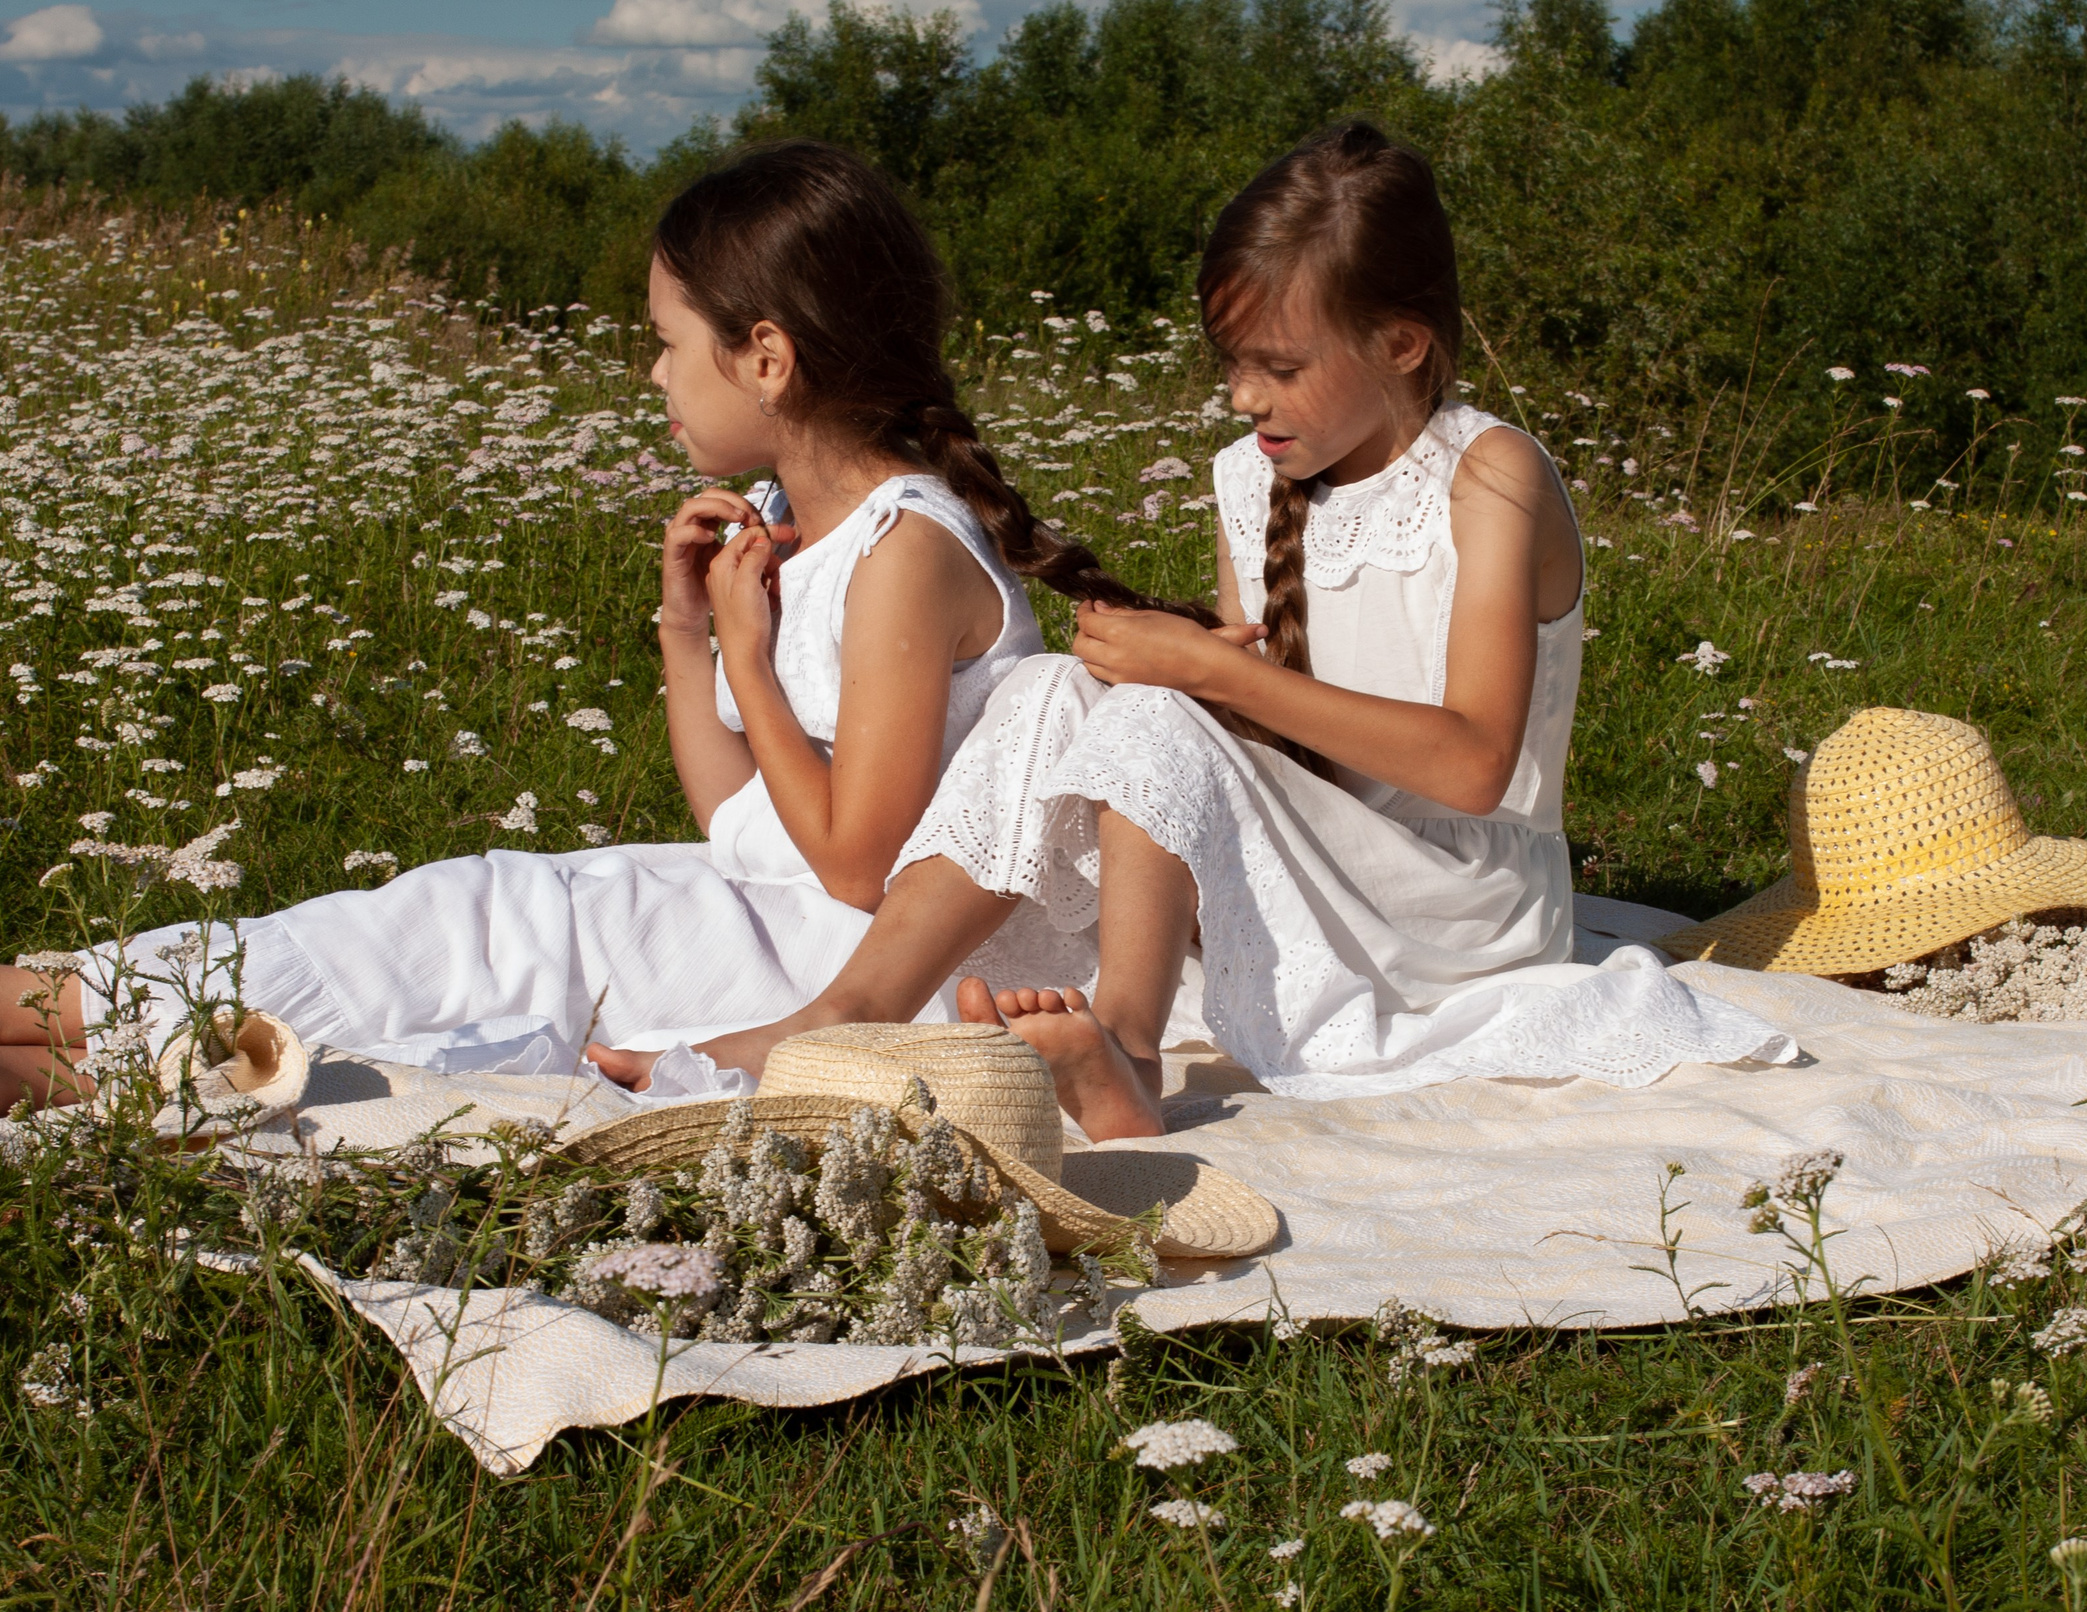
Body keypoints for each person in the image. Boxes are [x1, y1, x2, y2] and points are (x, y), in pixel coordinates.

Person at [0, 139, 1211, 1122]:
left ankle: (8, 1017)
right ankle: (16, 1047)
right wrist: (691, 639)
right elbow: (745, 819)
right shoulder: (816, 537)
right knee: (451, 930)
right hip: (744, 898)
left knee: (468, 952)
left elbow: (854, 864)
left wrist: (750, 654)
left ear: (770, 354)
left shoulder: (904, 555)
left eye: (668, 345)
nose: (652, 378)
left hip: (830, 953)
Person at [604, 121, 1791, 1136]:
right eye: (1230, 364)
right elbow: (1270, 729)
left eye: (1275, 366)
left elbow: (1475, 764)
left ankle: (1121, 1038)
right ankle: (851, 1015)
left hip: (1459, 900)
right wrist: (1199, 674)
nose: (1241, 397)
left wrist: (1195, 681)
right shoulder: (1250, 479)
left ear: (1401, 343)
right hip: (1323, 858)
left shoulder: (1490, 477)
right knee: (1048, 696)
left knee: (1154, 701)